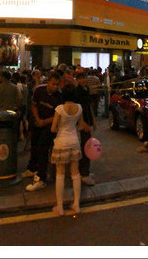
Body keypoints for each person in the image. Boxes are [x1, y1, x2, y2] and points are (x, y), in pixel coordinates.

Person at [49, 84, 91, 215]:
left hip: (61, 142)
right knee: (75, 173)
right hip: (74, 142)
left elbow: (53, 128)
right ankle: (76, 204)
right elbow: (81, 125)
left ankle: (60, 206)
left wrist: (60, 129)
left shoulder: (60, 109)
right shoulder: (79, 108)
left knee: (60, 173)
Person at [25, 71, 63, 192]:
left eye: (57, 85)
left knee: (43, 147)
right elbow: (34, 105)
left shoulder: (59, 96)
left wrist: (44, 121)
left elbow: (59, 115)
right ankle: (35, 169)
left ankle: (42, 177)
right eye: (53, 84)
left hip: (50, 125)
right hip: (38, 122)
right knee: (35, 145)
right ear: (48, 82)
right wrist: (37, 119)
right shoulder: (39, 90)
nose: (55, 87)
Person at [74, 70, 97, 186]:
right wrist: (83, 123)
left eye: (84, 77)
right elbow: (79, 109)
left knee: (86, 146)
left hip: (87, 122)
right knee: (85, 147)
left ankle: (85, 172)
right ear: (77, 80)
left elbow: (89, 106)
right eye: (80, 78)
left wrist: (93, 120)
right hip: (83, 124)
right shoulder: (78, 92)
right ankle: (84, 174)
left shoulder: (86, 89)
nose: (83, 80)